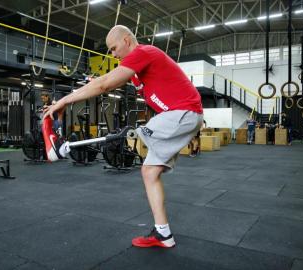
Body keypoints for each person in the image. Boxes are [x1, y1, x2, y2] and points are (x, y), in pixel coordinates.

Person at [44, 25, 203, 248]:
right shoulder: (136, 71)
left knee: (132, 134)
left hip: (183, 112)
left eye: (114, 48)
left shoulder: (143, 52)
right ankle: (163, 234)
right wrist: (90, 86)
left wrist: (64, 100)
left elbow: (104, 84)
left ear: (127, 40)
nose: (112, 54)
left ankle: (62, 148)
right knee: (149, 172)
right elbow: (104, 82)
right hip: (181, 115)